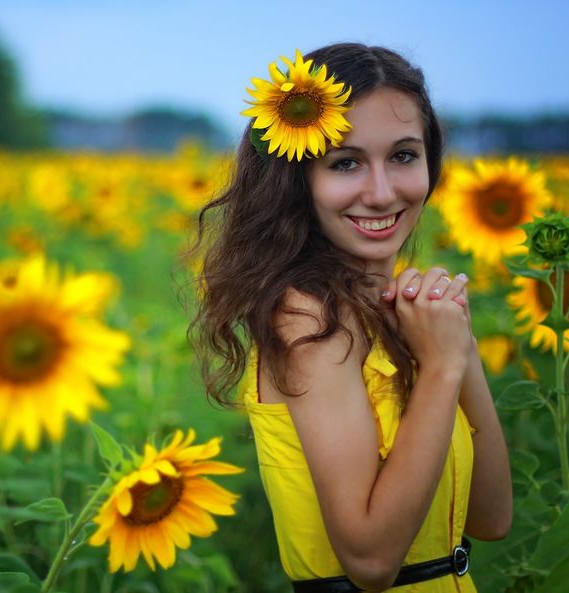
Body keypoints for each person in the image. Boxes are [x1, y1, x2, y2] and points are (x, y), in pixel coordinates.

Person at [189, 43, 512, 592]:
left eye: (404, 156)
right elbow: (370, 560)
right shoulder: (308, 320)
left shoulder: (401, 316)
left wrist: (457, 350)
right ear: (297, 179)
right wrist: (439, 370)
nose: (382, 192)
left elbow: (491, 517)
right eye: (345, 163)